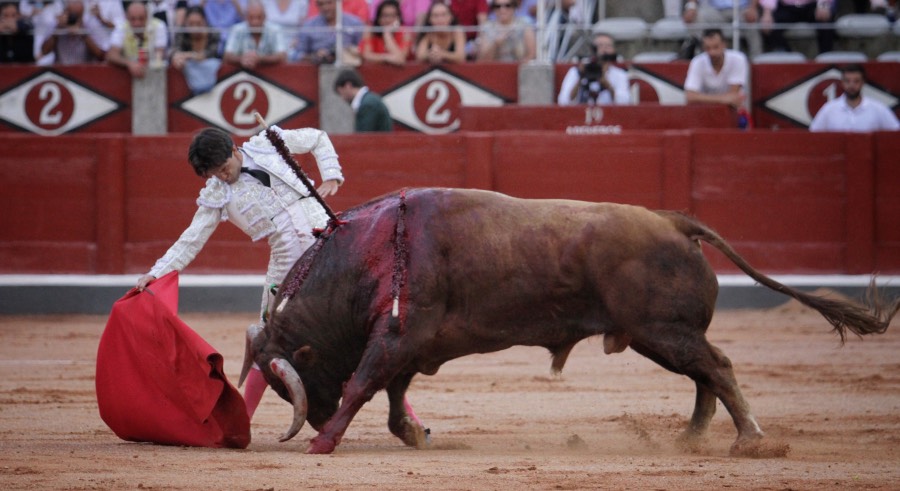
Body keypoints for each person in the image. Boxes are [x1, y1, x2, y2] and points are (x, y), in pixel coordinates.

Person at [134, 125, 345, 420]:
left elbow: (318, 137)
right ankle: (243, 419)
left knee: (361, 323)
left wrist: (331, 172)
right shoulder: (217, 195)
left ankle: (407, 416)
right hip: (285, 265)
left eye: (223, 168)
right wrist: (157, 273)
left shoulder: (268, 144)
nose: (222, 176)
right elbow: (191, 239)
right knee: (266, 340)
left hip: (328, 245)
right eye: (214, 174)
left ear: (235, 151)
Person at [809, 64, 900, 132]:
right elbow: (814, 135)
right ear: (842, 83)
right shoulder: (829, 109)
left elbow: (895, 134)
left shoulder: (878, 108)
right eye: (847, 81)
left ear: (862, 83)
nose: (851, 85)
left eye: (856, 81)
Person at [558, 32, 631, 106]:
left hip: (610, 115)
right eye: (600, 46)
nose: (604, 49)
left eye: (608, 46)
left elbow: (624, 103)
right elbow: (563, 101)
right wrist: (580, 78)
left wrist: (608, 85)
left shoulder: (620, 75)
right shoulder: (576, 71)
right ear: (593, 49)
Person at [684, 28, 748, 108]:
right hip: (705, 113)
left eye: (716, 47)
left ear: (724, 45)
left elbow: (733, 96)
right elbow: (690, 97)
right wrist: (723, 99)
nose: (712, 52)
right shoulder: (697, 62)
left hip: (734, 113)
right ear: (703, 48)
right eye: (708, 48)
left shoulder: (738, 59)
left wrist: (702, 98)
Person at [106, 1, 169, 78]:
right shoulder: (121, 28)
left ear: (147, 16)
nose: (137, 23)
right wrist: (130, 64)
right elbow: (111, 55)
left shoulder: (159, 25)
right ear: (127, 17)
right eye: (133, 19)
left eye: (141, 18)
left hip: (155, 77)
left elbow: (159, 54)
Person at [682, 0, 762, 59]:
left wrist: (753, 7)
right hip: (716, 10)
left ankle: (756, 60)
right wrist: (691, 7)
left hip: (743, 10)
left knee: (752, 22)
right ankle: (702, 57)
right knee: (697, 18)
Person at [291, 0, 364, 64]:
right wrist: (314, 56)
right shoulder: (309, 26)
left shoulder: (354, 23)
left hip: (348, 71)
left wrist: (347, 52)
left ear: (338, 2)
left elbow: (362, 50)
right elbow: (296, 55)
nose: (325, 8)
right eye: (321, 4)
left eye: (329, 2)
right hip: (316, 72)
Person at [170, 6, 221, 94]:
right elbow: (175, 51)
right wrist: (177, 58)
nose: (195, 28)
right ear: (186, 23)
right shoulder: (181, 33)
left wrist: (187, 55)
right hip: (188, 72)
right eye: (191, 24)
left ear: (205, 22)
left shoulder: (214, 33)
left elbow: (209, 54)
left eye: (198, 23)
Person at [223, 0, 287, 69]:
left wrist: (260, 58)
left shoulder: (275, 30)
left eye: (259, 17)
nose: (255, 22)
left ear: (265, 17)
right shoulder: (237, 29)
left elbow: (282, 56)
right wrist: (242, 59)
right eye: (251, 18)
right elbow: (227, 56)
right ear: (246, 18)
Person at [39, 0, 106, 65]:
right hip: (61, 69)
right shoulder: (56, 26)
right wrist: (58, 29)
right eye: (72, 15)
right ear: (66, 12)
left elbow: (100, 55)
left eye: (77, 16)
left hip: (84, 70)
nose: (74, 19)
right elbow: (44, 51)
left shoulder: (90, 25)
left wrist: (83, 34)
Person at [759, 0, 834, 54]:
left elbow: (824, 5)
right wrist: (767, 12)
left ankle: (825, 58)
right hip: (786, 8)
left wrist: (823, 5)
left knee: (826, 22)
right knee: (768, 24)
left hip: (812, 7)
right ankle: (787, 56)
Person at [360, 0, 411, 65]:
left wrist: (387, 34)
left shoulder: (405, 33)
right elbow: (366, 55)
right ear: (378, 18)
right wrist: (386, 58)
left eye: (393, 16)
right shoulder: (370, 31)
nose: (388, 20)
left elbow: (400, 59)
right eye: (384, 15)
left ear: (398, 18)